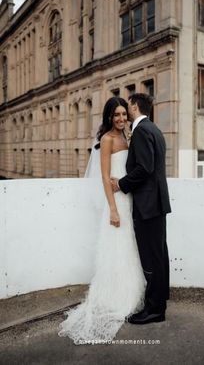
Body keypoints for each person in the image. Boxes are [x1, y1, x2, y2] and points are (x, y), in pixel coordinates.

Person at [58, 97, 146, 344]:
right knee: (116, 249)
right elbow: (105, 177)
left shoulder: (126, 137)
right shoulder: (107, 140)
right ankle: (114, 297)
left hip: (128, 200)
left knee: (130, 247)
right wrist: (113, 210)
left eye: (123, 115)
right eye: (116, 115)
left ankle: (130, 291)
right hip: (116, 203)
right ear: (109, 117)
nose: (120, 119)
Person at [111, 93, 171, 324]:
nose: (126, 111)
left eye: (128, 106)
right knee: (159, 255)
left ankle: (154, 309)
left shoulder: (142, 131)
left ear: (135, 106)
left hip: (147, 206)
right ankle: (160, 301)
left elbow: (144, 168)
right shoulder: (153, 128)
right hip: (156, 204)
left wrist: (121, 184)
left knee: (151, 257)